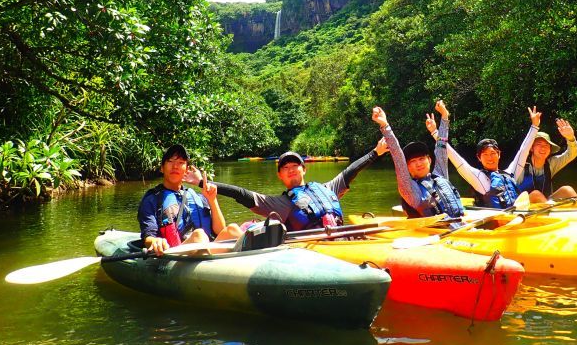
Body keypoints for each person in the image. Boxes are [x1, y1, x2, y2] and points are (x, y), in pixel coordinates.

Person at [210, 139, 388, 231]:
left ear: (304, 169)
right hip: (311, 246)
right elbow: (241, 194)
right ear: (279, 175)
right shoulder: (280, 203)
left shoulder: (327, 188)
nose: (291, 169)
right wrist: (204, 182)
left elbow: (350, 171)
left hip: (340, 235)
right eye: (285, 167)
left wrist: (376, 153)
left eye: (295, 165)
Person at [137, 144, 243, 256]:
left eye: (181, 163)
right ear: (162, 168)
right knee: (199, 236)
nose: (175, 166)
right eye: (170, 161)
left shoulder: (198, 197)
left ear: (186, 170)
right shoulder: (152, 199)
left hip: (207, 251)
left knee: (233, 229)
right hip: (175, 254)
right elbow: (148, 237)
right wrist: (155, 241)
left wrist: (212, 200)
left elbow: (220, 230)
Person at [371, 102, 465, 219]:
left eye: (421, 159)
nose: (419, 163)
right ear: (407, 167)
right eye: (413, 161)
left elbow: (441, 147)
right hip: (436, 233)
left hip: (461, 224)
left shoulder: (439, 175)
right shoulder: (410, 190)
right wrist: (385, 125)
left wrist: (445, 116)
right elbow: (398, 156)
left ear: (429, 160)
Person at [443, 105, 542, 209]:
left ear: (499, 154)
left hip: (513, 217)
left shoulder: (510, 174)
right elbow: (454, 157)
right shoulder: (478, 177)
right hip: (494, 222)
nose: (489, 158)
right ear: (479, 158)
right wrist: (436, 132)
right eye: (485, 155)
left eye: (493, 153)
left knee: (536, 194)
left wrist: (534, 126)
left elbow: (524, 150)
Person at [518, 119, 577, 201]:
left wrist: (571, 138)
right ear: (531, 148)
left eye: (546, 145)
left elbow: (571, 154)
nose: (543, 148)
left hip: (545, 205)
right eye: (539, 144)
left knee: (567, 190)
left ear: (550, 150)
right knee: (536, 194)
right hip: (524, 207)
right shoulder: (520, 165)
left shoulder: (551, 163)